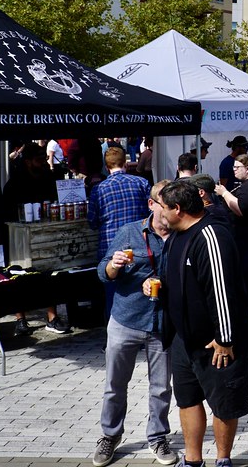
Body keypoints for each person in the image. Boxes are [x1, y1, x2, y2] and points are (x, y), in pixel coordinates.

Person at [154, 181, 248, 467]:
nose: (159, 212)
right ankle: (192, 459)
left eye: (162, 206)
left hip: (218, 343)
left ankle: (223, 459)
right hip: (184, 340)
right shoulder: (176, 235)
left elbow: (222, 291)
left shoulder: (210, 235)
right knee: (187, 400)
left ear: (177, 208)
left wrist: (224, 338)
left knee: (223, 403)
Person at [93, 180, 177, 467]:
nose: (169, 212)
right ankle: (109, 435)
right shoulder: (130, 232)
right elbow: (103, 274)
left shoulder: (182, 233)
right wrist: (114, 266)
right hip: (126, 319)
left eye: (173, 206)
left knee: (161, 387)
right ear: (152, 205)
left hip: (163, 322)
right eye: (165, 205)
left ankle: (157, 436)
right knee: (115, 384)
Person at [3, 143, 65, 335]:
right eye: (39, 160)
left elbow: (56, 199)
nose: (44, 163)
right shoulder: (15, 183)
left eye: (44, 159)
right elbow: (6, 212)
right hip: (18, 238)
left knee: (49, 274)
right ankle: (20, 319)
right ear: (28, 161)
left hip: (45, 234)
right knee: (18, 276)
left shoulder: (48, 178)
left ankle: (52, 316)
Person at [89, 145, 152, 320]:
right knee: (142, 291)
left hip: (111, 248)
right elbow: (152, 213)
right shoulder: (141, 183)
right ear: (125, 163)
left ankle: (113, 339)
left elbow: (92, 222)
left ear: (107, 166)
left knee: (112, 295)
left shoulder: (98, 189)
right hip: (139, 244)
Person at [214, 154, 248, 304]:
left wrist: (224, 193)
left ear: (247, 168)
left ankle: (247, 305)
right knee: (245, 270)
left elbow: (241, 209)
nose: (234, 170)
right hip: (244, 234)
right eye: (233, 167)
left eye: (237, 167)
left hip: (246, 235)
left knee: (245, 271)